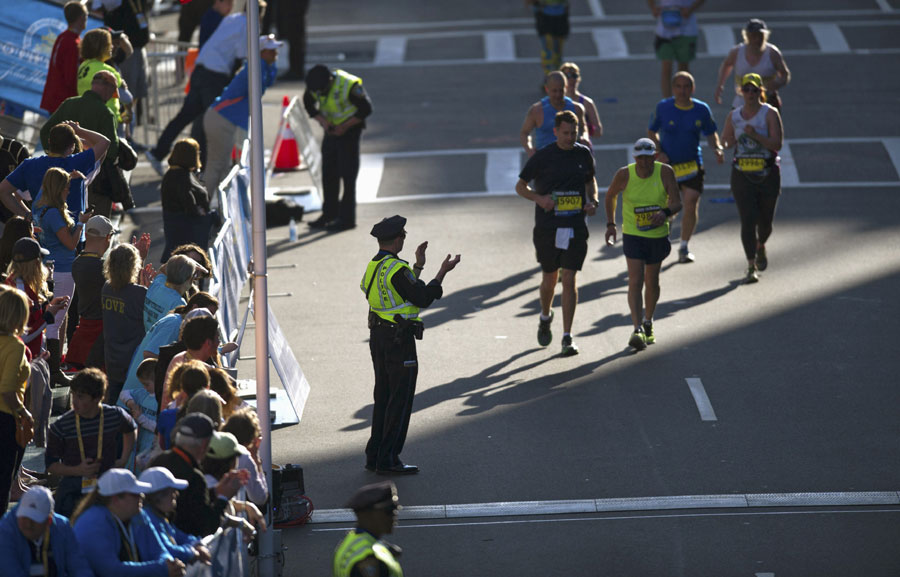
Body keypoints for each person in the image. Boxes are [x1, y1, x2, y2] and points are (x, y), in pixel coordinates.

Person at [362, 215, 460, 474]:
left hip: (379, 337)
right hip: (398, 340)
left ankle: (375, 455)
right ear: (398, 239)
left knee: (383, 395)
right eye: (403, 236)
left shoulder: (375, 265)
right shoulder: (397, 269)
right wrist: (441, 273)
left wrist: (417, 267)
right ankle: (389, 459)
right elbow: (422, 298)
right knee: (400, 398)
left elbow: (399, 294)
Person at [147, 2, 267, 173]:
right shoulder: (247, 25)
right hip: (215, 75)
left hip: (201, 68)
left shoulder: (232, 19)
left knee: (186, 115)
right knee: (212, 120)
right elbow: (242, 55)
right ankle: (203, 164)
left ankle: (159, 152)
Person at [516, 110, 597, 356]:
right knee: (550, 278)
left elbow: (590, 180)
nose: (570, 138)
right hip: (548, 227)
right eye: (565, 133)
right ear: (555, 132)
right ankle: (545, 315)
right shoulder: (543, 157)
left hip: (575, 225)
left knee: (570, 278)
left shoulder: (583, 154)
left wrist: (592, 200)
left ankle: (567, 336)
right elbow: (520, 186)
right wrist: (540, 199)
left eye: (574, 133)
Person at [604, 138, 682, 351]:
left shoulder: (665, 172)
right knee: (635, 280)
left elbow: (677, 203)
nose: (645, 163)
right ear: (635, 158)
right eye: (641, 159)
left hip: (657, 234)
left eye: (649, 158)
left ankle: (648, 321)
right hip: (633, 233)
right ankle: (637, 328)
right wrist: (611, 224)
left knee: (652, 280)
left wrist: (664, 213)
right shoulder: (624, 174)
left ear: (655, 157)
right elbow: (610, 195)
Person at [647, 71, 724, 263]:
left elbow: (711, 133)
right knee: (669, 206)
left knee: (691, 202)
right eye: (679, 87)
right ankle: (664, 234)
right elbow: (651, 131)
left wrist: (718, 148)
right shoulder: (663, 107)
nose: (682, 91)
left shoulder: (701, 109)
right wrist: (659, 151)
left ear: (693, 88)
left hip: (691, 165)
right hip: (668, 165)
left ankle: (684, 246)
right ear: (673, 89)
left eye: (686, 87)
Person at [45, 368, 137, 516]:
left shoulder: (114, 415)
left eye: (80, 397)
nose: (74, 401)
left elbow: (130, 429)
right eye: (73, 394)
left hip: (107, 487)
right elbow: (51, 465)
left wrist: (124, 458)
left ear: (97, 398)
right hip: (74, 490)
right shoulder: (61, 426)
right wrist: (78, 470)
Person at [719, 73, 784, 284]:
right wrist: (725, 145)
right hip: (742, 173)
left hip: (767, 172)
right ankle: (750, 265)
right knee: (747, 220)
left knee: (765, 223)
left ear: (760, 92)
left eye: (754, 89)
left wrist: (754, 135)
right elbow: (726, 140)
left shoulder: (769, 114)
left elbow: (777, 144)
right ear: (740, 92)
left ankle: (761, 244)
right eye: (746, 89)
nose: (749, 93)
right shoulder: (734, 115)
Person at [33, 168, 95, 384]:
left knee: (54, 319)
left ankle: (52, 368)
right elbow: (70, 244)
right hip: (63, 271)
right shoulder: (53, 213)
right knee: (55, 321)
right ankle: (53, 371)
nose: (69, 191)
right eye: (67, 187)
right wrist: (81, 223)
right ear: (58, 189)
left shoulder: (42, 208)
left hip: (54, 269)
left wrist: (73, 178)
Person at [71, 468, 185, 577]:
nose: (142, 496)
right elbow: (112, 572)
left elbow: (158, 550)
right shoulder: (93, 522)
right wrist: (162, 569)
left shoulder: (137, 514)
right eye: (135, 494)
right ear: (116, 499)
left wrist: (170, 563)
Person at [203, 35, 281, 194]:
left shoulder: (258, 67)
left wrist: (271, 66)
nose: (275, 53)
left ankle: (218, 206)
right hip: (221, 119)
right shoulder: (255, 69)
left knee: (223, 167)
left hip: (222, 119)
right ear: (261, 52)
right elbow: (260, 88)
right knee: (217, 165)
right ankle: (202, 206)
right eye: (271, 50)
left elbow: (266, 84)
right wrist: (269, 66)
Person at [148, 413, 245, 537]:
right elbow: (206, 526)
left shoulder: (158, 461)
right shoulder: (194, 477)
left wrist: (215, 491)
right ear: (204, 445)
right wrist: (223, 498)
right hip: (181, 549)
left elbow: (187, 504)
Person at [41, 70, 121, 219]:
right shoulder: (105, 113)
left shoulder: (68, 104)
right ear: (107, 88)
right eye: (112, 92)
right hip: (93, 182)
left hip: (56, 178)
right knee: (95, 229)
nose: (112, 96)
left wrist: (55, 155)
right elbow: (111, 150)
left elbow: (45, 132)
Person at [303, 64, 373, 232]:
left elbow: (366, 109)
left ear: (329, 81)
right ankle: (329, 214)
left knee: (348, 175)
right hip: (331, 130)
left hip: (350, 131)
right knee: (328, 173)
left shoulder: (348, 85)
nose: (319, 94)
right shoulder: (315, 85)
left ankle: (347, 219)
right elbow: (309, 104)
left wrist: (345, 126)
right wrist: (324, 122)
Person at [0, 122, 109, 222]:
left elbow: (3, 191)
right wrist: (78, 130)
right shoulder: (78, 163)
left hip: (40, 234)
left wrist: (27, 215)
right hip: (73, 234)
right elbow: (104, 142)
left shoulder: (30, 165)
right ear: (72, 146)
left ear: (49, 142)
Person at [67, 216, 127, 368]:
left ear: (86, 234)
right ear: (108, 237)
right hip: (101, 335)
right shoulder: (104, 268)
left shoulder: (76, 264)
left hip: (83, 331)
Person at [0, 486, 93, 577]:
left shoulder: (62, 527)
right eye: (24, 518)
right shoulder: (4, 532)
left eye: (34, 520)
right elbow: (11, 572)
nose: (28, 525)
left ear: (49, 520)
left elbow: (79, 566)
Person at [5, 237, 69, 360]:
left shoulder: (18, 283)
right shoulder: (19, 290)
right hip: (23, 362)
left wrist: (48, 308)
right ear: (35, 263)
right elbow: (22, 337)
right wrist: (48, 316)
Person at [101, 243, 150, 404]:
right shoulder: (141, 294)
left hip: (111, 355)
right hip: (132, 359)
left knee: (113, 398)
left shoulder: (106, 288)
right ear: (133, 266)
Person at [0, 286, 33, 515]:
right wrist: (24, 412)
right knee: (3, 480)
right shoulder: (15, 346)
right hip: (5, 419)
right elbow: (8, 389)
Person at [136, 467, 210, 566]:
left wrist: (196, 544)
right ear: (157, 497)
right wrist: (192, 552)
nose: (176, 494)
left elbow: (179, 536)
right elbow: (168, 549)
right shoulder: (149, 519)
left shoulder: (160, 517)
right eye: (172, 491)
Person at [715, 19, 791, 111]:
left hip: (767, 102)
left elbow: (785, 75)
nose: (757, 40)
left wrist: (777, 83)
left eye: (760, 36)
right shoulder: (737, 52)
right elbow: (726, 65)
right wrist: (720, 85)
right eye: (753, 36)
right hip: (741, 103)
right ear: (746, 36)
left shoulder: (772, 53)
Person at [333, 481, 403, 577]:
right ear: (366, 514)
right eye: (389, 510)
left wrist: (385, 550)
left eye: (396, 509)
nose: (395, 514)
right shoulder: (370, 562)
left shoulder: (349, 542)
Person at [159, 140, 212, 263]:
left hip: (175, 226)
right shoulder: (182, 177)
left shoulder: (172, 174)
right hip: (186, 228)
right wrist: (199, 212)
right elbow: (188, 201)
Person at [519, 71, 587, 157]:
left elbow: (583, 127)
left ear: (566, 87)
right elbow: (524, 133)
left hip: (570, 157)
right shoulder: (537, 111)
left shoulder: (577, 108)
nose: (558, 95)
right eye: (554, 91)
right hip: (545, 159)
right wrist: (530, 151)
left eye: (561, 90)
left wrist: (585, 137)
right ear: (547, 89)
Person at [648, 0, 705, 98]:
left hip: (686, 30)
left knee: (683, 69)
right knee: (666, 68)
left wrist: (690, 9)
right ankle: (667, 103)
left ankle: (685, 101)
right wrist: (653, 8)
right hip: (664, 31)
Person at [41, 1, 89, 115]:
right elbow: (71, 77)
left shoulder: (64, 37)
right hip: (64, 101)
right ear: (82, 18)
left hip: (57, 99)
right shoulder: (72, 42)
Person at [76, 29, 131, 125]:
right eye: (109, 44)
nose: (112, 46)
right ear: (101, 47)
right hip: (108, 121)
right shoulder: (107, 71)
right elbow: (127, 98)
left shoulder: (83, 66)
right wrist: (127, 114)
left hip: (88, 120)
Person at [143, 255, 204, 332]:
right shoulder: (179, 303)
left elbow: (163, 269)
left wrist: (186, 261)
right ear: (189, 279)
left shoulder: (157, 284)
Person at [221, 406, 267, 507]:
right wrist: (256, 459)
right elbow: (260, 497)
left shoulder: (211, 446)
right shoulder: (244, 457)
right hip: (232, 515)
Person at [120, 358, 159, 470]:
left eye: (147, 384)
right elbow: (124, 394)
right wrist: (132, 404)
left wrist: (140, 418)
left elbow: (157, 427)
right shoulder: (143, 394)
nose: (144, 387)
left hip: (151, 447)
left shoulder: (161, 400)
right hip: (138, 445)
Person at [559, 62, 602, 141]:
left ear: (578, 79)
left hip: (580, 146)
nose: (571, 79)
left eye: (574, 76)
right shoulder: (556, 101)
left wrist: (583, 127)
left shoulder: (587, 103)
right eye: (567, 76)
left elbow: (598, 132)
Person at [527, 0, 569, 78]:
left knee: (557, 49)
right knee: (548, 49)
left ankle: (556, 73)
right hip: (545, 18)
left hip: (559, 17)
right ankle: (549, 76)